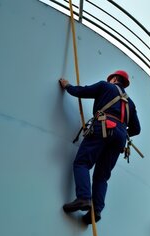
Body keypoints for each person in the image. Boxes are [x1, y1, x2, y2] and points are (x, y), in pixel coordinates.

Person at [59, 70, 141, 224]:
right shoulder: (130, 103)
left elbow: (82, 91)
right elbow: (136, 129)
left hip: (103, 127)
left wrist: (67, 86)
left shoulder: (105, 86)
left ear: (115, 79)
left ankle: (83, 198)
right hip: (120, 138)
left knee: (82, 163)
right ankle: (96, 210)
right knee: (102, 176)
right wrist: (120, 130)